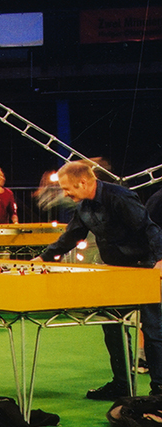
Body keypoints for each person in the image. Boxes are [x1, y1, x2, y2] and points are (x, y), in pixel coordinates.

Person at [35, 160, 162, 399]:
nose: (65, 194)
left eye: (67, 188)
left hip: (144, 270)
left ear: (83, 182)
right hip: (115, 272)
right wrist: (43, 258)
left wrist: (160, 261)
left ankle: (160, 391)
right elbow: (72, 236)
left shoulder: (120, 197)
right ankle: (122, 385)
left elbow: (150, 229)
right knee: (111, 323)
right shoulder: (83, 206)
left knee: (153, 329)